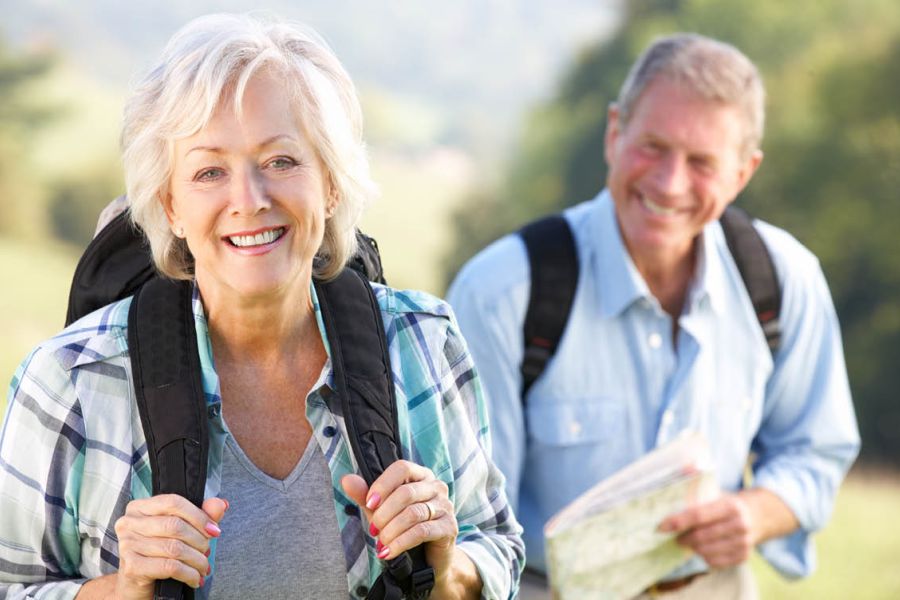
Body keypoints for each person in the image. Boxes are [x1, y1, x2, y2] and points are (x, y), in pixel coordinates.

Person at [0, 13, 523, 600]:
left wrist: (448, 568)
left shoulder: (424, 341)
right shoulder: (68, 380)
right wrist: (122, 591)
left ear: (329, 182)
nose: (249, 200)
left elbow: (496, 542)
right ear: (170, 205)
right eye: (209, 171)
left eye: (281, 161)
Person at [447, 33, 859, 598]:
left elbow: (815, 450)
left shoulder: (786, 280)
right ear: (615, 134)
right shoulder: (502, 292)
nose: (669, 183)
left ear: (744, 172)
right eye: (653, 146)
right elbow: (475, 528)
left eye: (702, 162)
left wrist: (758, 513)